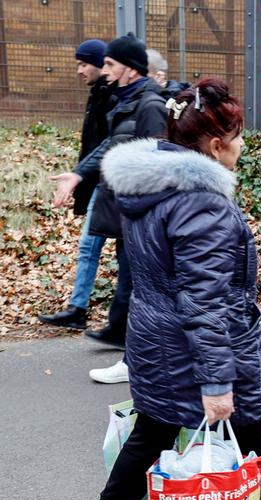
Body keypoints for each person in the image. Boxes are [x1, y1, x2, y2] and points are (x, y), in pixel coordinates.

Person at [90, 79, 261, 500]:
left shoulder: (150, 188)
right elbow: (205, 300)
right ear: (217, 145)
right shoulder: (202, 205)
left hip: (157, 335)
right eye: (239, 136)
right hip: (200, 343)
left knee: (157, 427)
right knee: (249, 419)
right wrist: (217, 383)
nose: (243, 145)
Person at [50, 33, 168, 383]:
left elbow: (158, 164)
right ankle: (133, 355)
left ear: (130, 69)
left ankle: (137, 362)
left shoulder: (150, 105)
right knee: (132, 283)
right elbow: (110, 147)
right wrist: (77, 175)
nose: (105, 70)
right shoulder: (128, 101)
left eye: (111, 64)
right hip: (129, 211)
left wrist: (146, 213)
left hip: (142, 213)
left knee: (140, 287)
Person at [39, 39, 114, 330]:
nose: (79, 70)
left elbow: (110, 144)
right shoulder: (98, 93)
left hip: (108, 184)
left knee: (94, 248)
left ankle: (80, 309)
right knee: (91, 247)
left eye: (84, 64)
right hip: (97, 182)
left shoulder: (110, 96)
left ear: (99, 64)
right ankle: (79, 308)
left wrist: (80, 176)